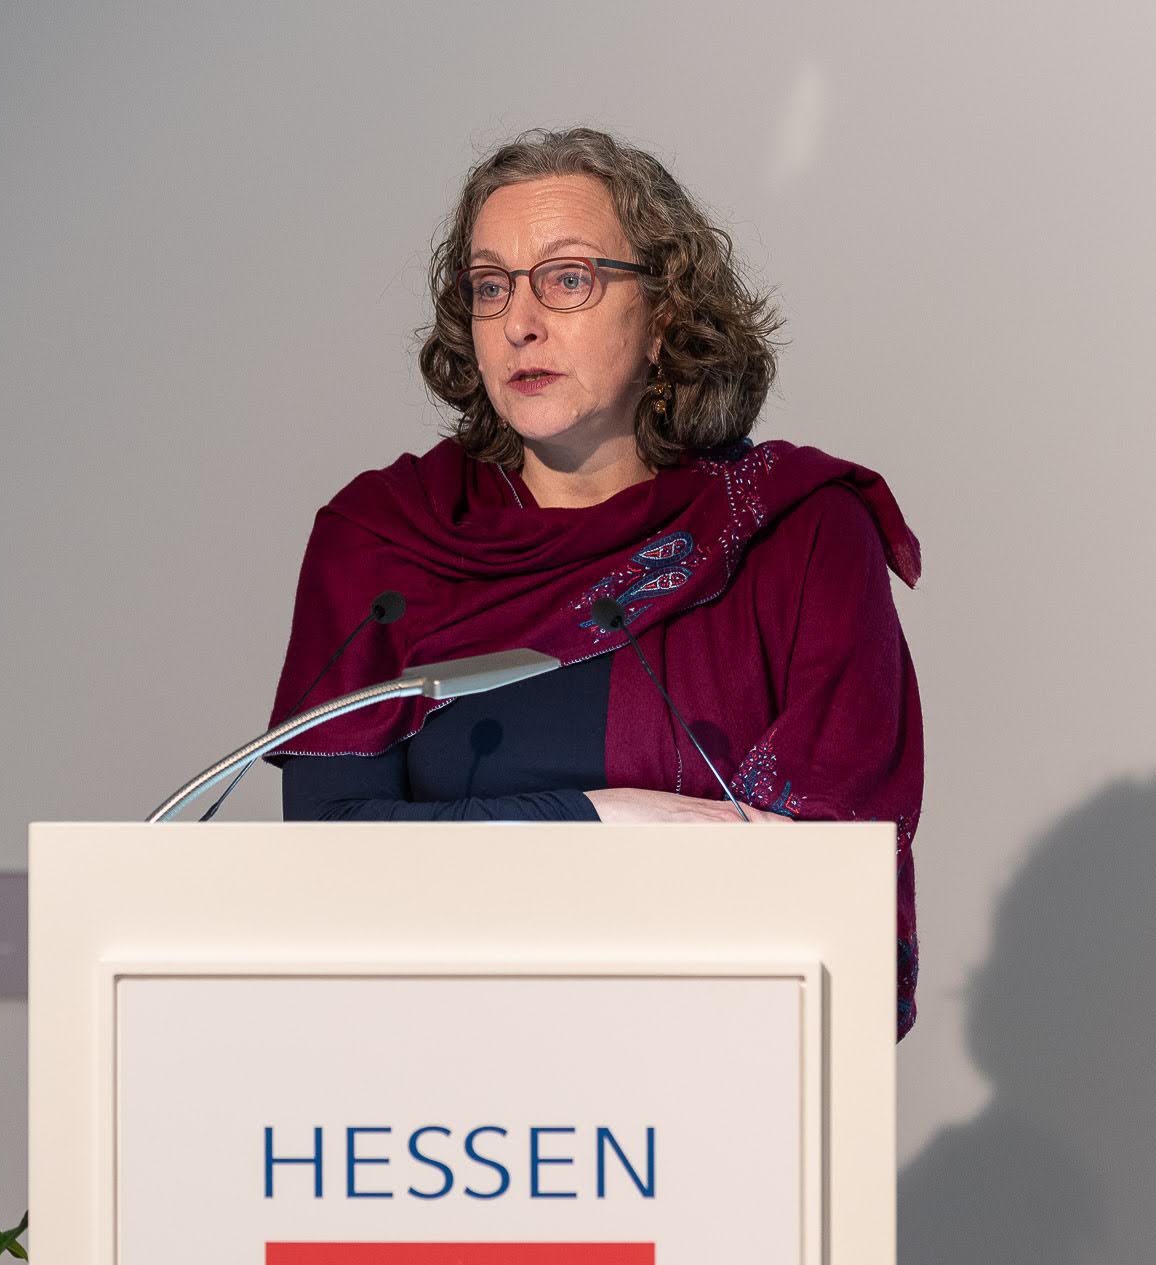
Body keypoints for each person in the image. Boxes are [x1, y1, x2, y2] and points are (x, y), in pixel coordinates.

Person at [265, 128, 925, 1038]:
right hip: (424, 1056)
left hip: (708, 1061)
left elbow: (823, 868)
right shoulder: (383, 541)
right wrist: (601, 820)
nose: (518, 322)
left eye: (567, 279)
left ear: (663, 313)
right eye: (490, 286)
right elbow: (327, 849)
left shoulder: (796, 532)